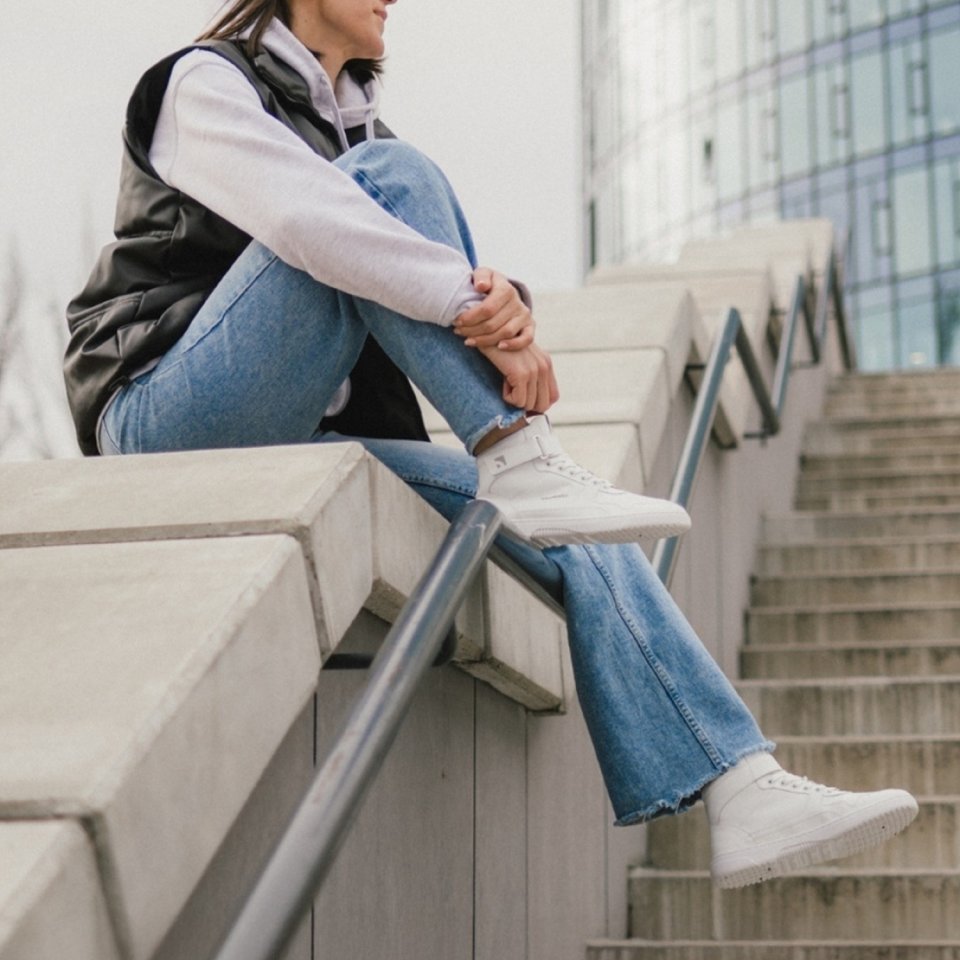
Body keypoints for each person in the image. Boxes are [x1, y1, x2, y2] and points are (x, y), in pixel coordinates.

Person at [64, 0, 917, 889]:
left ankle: (743, 788)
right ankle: (515, 448)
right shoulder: (204, 83)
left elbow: (396, 263)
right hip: (167, 418)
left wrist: (505, 302)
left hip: (316, 442)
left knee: (574, 522)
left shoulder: (361, 131)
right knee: (387, 181)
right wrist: (490, 318)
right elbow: (311, 222)